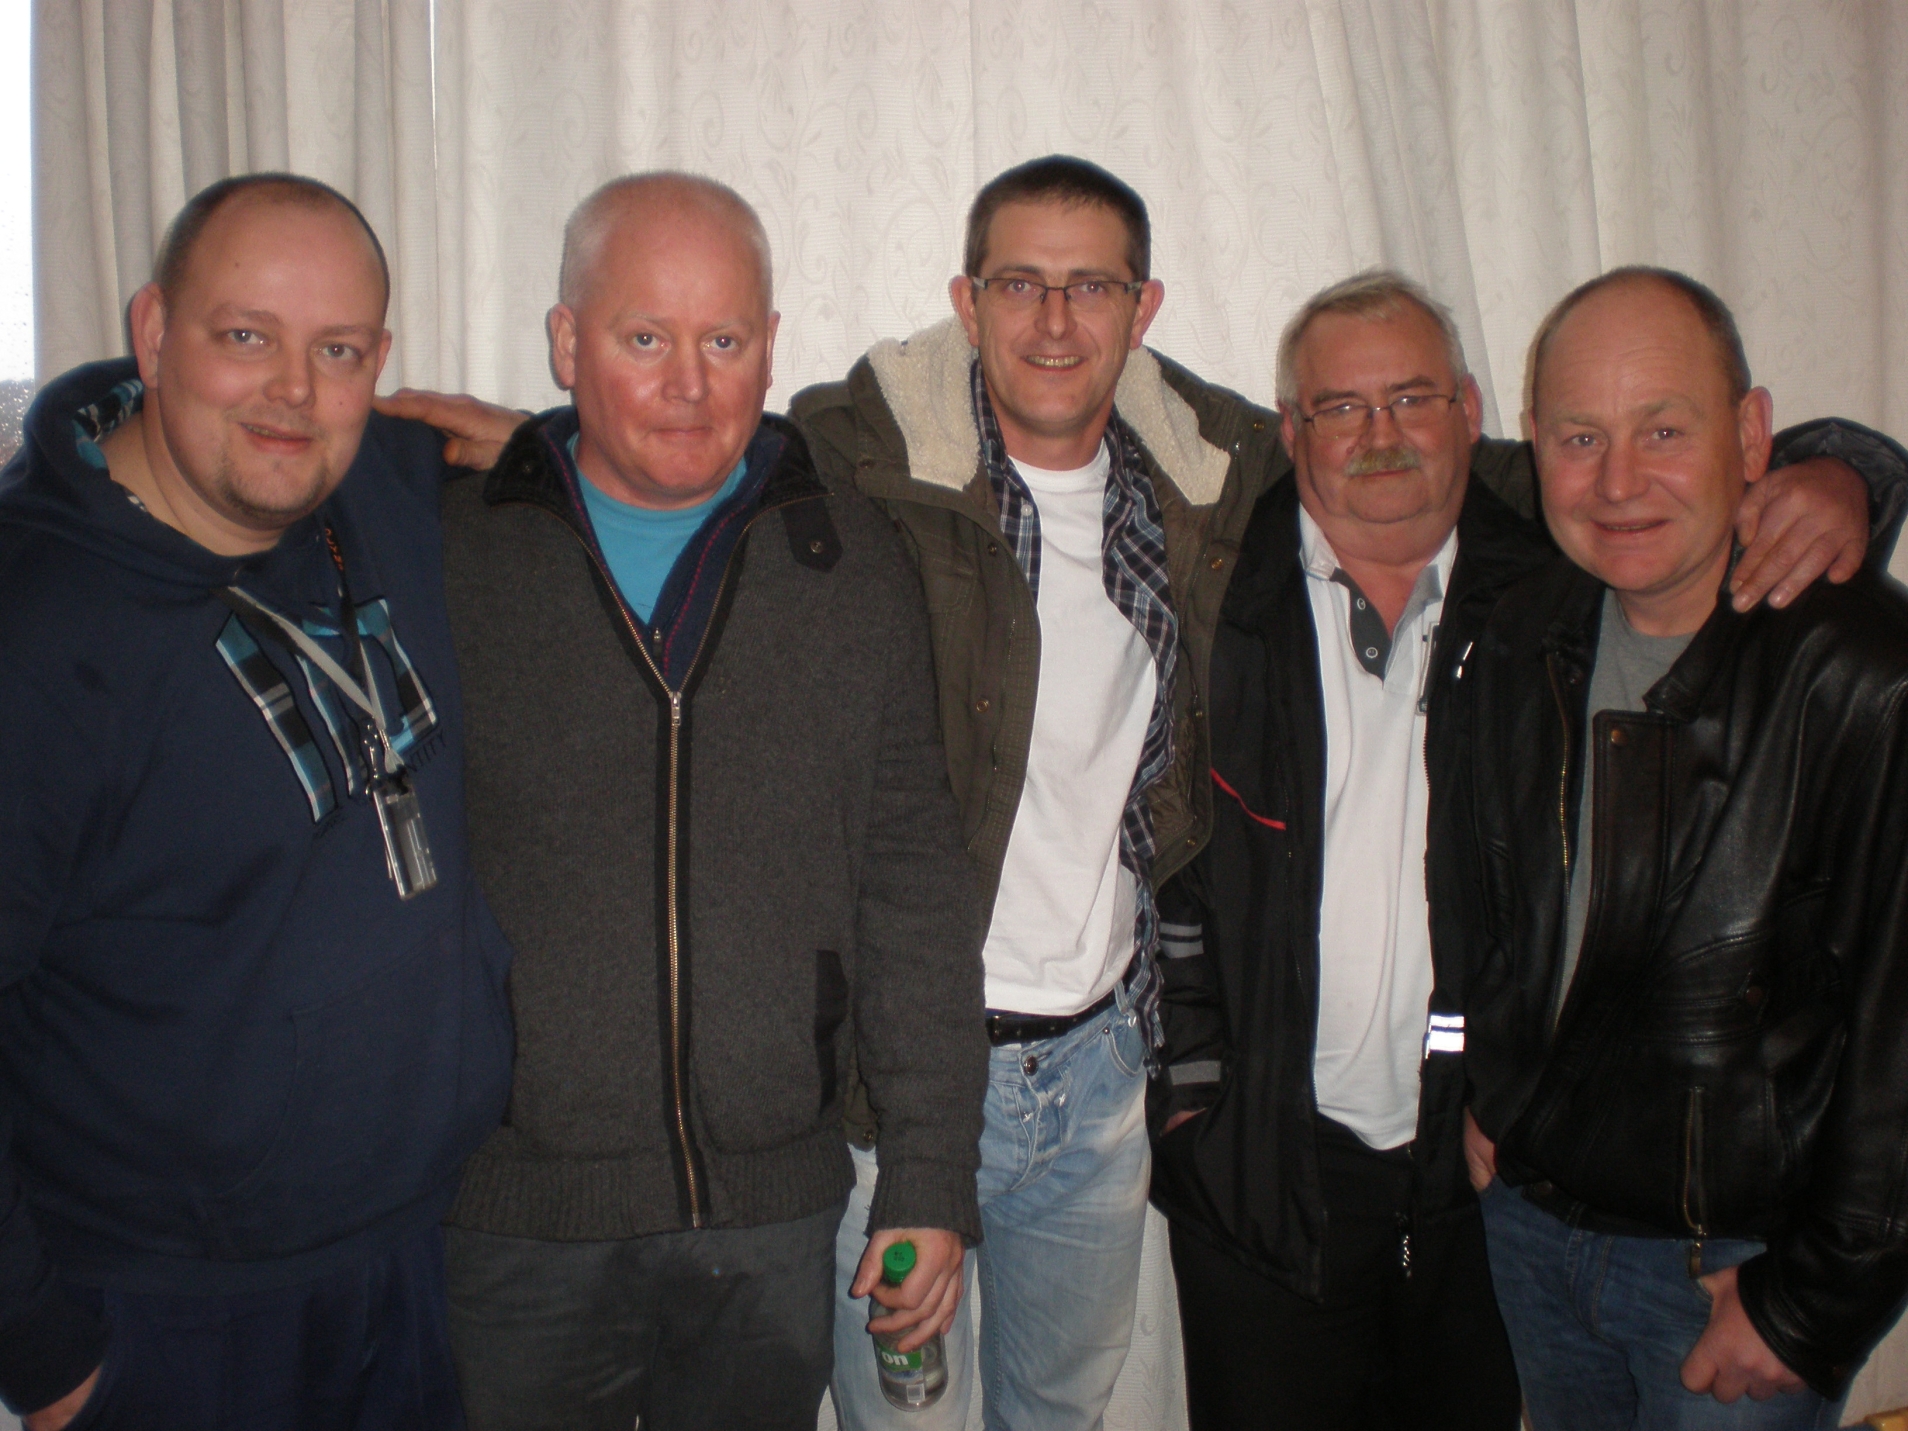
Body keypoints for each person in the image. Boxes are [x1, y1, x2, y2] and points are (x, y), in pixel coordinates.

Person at [380, 157, 1889, 1431]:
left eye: (1092, 284)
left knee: (1064, 1411)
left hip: (1102, 1080)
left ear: (1143, 309)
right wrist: (545, 449)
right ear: (967, 301)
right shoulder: (866, 458)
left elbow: (1500, 465)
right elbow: (692, 436)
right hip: (904, 1084)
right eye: (1021, 284)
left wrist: (1838, 470)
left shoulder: (1218, 469)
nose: (1055, 319)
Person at [1149, 268, 1901, 1431]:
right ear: (1292, 431)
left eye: (1413, 398)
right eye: (1342, 407)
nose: (1381, 436)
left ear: (1469, 413)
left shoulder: (1565, 595)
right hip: (1336, 1186)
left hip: (1583, 1220)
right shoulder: (1224, 588)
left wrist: (1847, 470)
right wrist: (1196, 1105)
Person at [431, 173, 986, 1431]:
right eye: (645, 338)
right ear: (566, 341)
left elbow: (911, 888)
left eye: (724, 342)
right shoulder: (453, 551)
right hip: (515, 1223)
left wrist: (929, 1174)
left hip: (770, 1220)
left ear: (771, 348)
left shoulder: (850, 563)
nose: (690, 383)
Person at [0, 174, 514, 1429]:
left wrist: (556, 449)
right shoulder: (36, 631)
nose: (293, 391)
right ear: (153, 331)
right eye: (246, 336)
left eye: (337, 351)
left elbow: (669, 444)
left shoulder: (386, 489)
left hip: (413, 1261)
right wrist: (44, 1354)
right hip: (171, 1315)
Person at [1461, 267, 1908, 1429]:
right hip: (1532, 1230)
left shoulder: (1866, 677)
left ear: (1753, 437)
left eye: (1663, 430)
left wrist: (1812, 1305)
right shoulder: (1524, 636)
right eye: (1580, 437)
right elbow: (1487, 904)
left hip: (1734, 1273)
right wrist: (1486, 1081)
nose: (1618, 483)